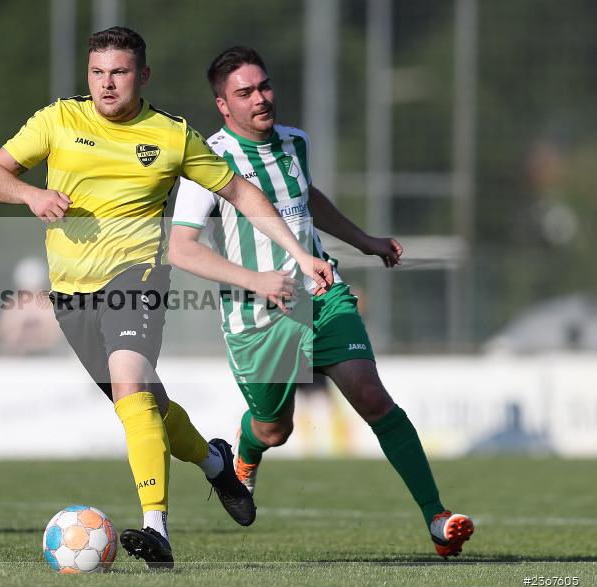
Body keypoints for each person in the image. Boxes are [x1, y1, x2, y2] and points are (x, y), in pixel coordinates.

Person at [0, 27, 333, 568]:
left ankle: (155, 528)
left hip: (138, 276)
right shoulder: (57, 120)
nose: (106, 84)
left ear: (142, 75)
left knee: (129, 382)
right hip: (71, 293)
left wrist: (298, 254)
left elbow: (240, 191)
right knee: (145, 406)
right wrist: (32, 193)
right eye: (97, 73)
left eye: (118, 72)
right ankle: (215, 463)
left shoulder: (172, 135)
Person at [169, 47, 474, 559]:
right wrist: (257, 279)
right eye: (245, 92)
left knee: (374, 399)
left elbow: (305, 198)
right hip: (256, 316)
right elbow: (180, 248)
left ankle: (437, 518)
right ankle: (245, 452)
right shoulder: (208, 159)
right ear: (223, 105)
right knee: (275, 427)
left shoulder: (294, 142)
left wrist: (364, 241)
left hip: (321, 295)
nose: (261, 98)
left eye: (264, 86)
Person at [0, 256, 61, 355]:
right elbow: (4, 333)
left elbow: (55, 336)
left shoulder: (50, 305)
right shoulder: (12, 306)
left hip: (47, 361)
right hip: (19, 362)